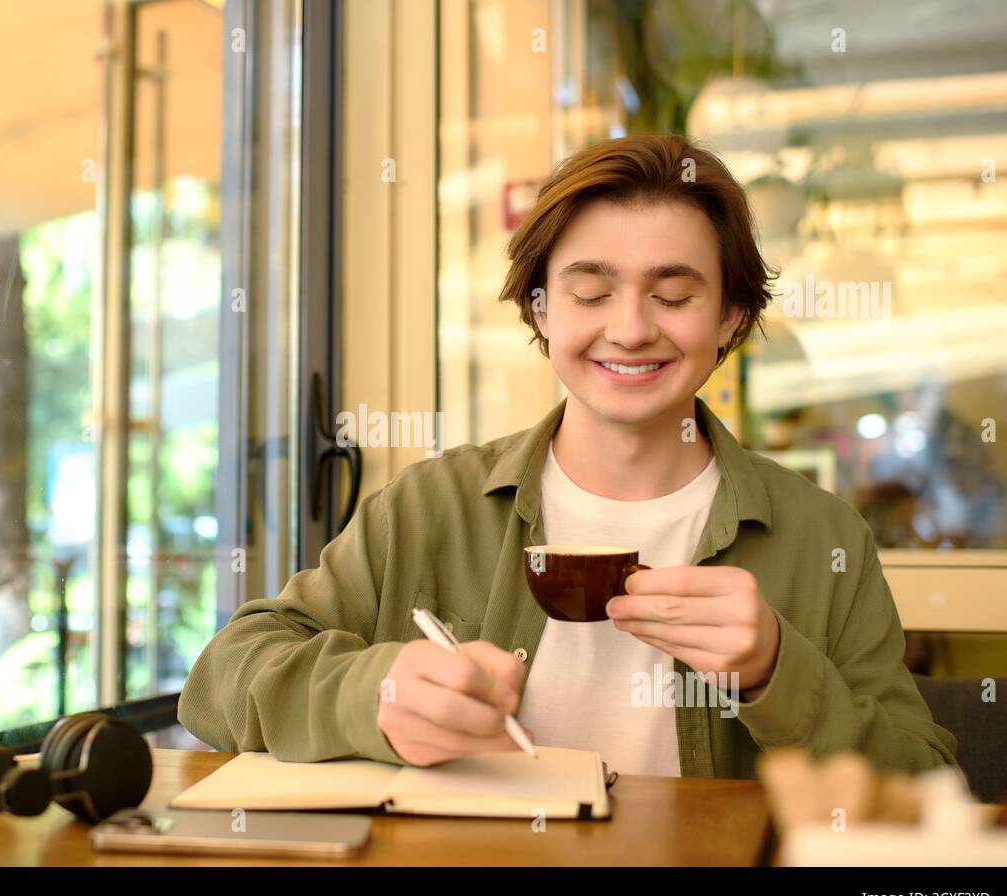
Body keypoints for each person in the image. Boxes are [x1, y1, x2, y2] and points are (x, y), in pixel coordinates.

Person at [178, 132, 957, 778]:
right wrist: (372, 693)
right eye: (590, 293)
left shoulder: (823, 537)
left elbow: (928, 788)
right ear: (541, 311)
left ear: (730, 317)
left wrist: (776, 670)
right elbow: (219, 682)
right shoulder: (431, 506)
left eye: (674, 296)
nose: (629, 328)